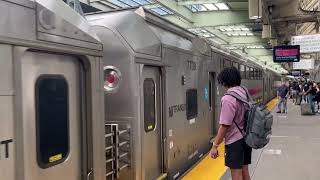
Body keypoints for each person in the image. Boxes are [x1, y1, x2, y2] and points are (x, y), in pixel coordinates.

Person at [210, 67, 251, 180]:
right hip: (246, 139)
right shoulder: (244, 92)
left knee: (236, 175)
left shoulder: (228, 99)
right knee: (245, 171)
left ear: (225, 82)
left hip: (235, 142)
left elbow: (224, 126)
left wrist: (215, 146)